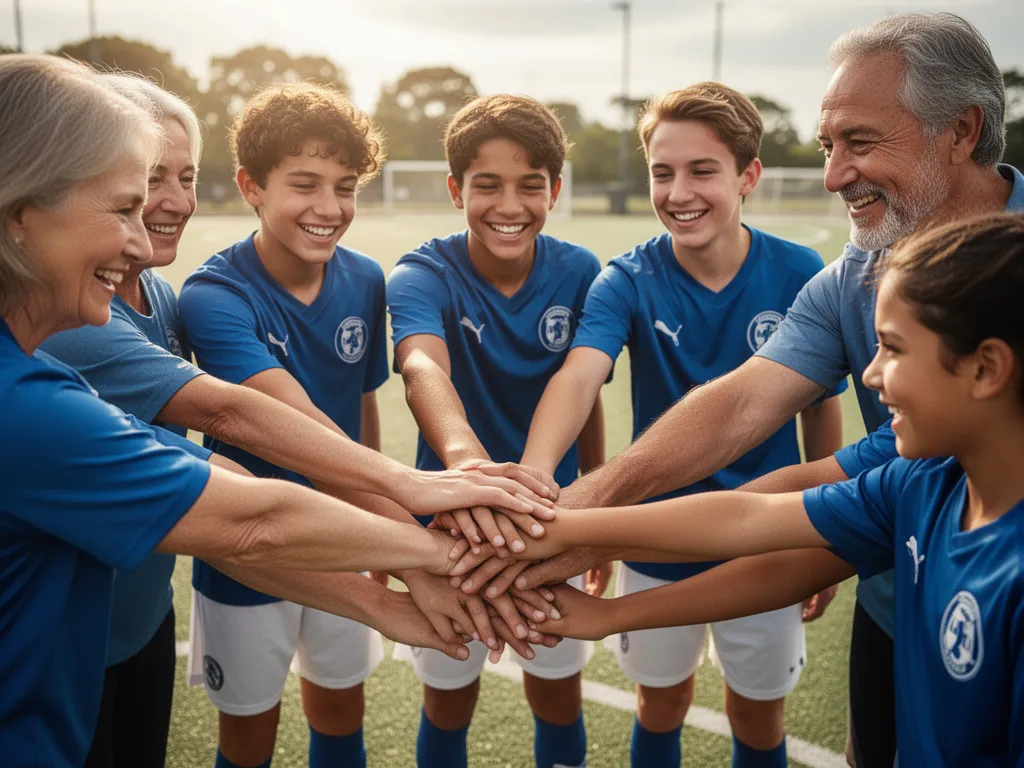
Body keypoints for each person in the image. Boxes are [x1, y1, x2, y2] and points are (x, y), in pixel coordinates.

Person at [469, 14, 1024, 765]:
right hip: (900, 596)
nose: (833, 175)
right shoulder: (857, 294)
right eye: (829, 148)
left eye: (859, 143)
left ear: (961, 131)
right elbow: (757, 452)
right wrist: (561, 522)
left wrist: (566, 532)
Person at [38, 74, 555, 768]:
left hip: (147, 613)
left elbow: (222, 461)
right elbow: (235, 432)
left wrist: (390, 548)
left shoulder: (152, 293)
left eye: (182, 177)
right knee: (245, 735)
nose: (166, 201)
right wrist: (411, 517)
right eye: (140, 183)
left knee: (337, 713)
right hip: (81, 631)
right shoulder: (156, 304)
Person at [513, 212, 1024, 766]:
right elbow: (748, 518)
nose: (870, 376)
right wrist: (569, 546)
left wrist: (557, 535)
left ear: (986, 368)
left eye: (893, 349)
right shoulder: (916, 482)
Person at [513, 82, 844, 768]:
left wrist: (822, 522)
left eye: (702, 170)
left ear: (748, 176)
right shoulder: (627, 278)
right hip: (655, 537)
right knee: (659, 702)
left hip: (768, 540)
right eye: (663, 172)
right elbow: (579, 376)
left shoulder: (800, 272)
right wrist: (535, 480)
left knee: (756, 716)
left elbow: (821, 403)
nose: (679, 191)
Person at [387, 94, 604, 768]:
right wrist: (472, 475)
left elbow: (585, 393)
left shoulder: (579, 271)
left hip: (553, 524)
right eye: (487, 184)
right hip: (455, 533)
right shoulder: (422, 272)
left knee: (558, 693)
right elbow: (423, 368)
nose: (508, 204)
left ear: (555, 191)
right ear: (456, 189)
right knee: (449, 699)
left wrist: (594, 497)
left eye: (530, 185)